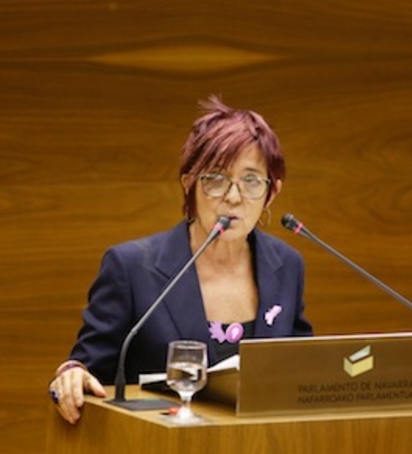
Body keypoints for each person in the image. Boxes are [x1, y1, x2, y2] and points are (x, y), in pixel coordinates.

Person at [49, 95, 313, 423]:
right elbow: (88, 370)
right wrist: (72, 374)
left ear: (272, 192)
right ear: (189, 185)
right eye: (216, 179)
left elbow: (299, 369)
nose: (233, 197)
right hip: (162, 448)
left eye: (251, 181)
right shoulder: (132, 267)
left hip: (260, 451)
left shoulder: (286, 266)